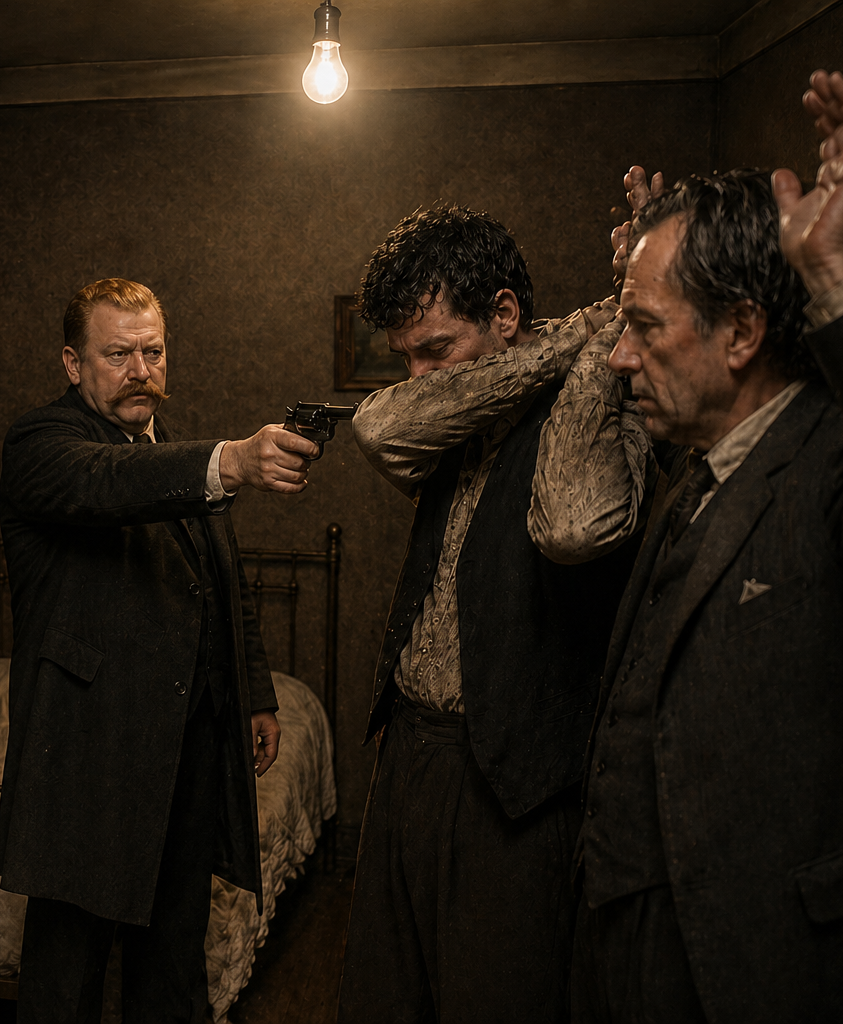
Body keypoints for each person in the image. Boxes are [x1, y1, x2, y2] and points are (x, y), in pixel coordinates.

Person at [571, 72, 843, 1023]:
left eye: (644, 327)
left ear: (742, 330)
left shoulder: (835, 465)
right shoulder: (697, 456)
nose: (620, 355)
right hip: (634, 945)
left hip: (758, 965)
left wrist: (834, 274)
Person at [338, 207, 644, 1023]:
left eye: (435, 350)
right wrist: (579, 328)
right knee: (382, 999)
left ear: (504, 313)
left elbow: (571, 525)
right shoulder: (446, 413)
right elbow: (377, 425)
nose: (418, 376)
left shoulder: (601, 393)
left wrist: (607, 330)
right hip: (411, 754)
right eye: (405, 357)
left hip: (517, 778)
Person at [0, 278, 315, 1024]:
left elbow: (225, 583)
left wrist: (255, 693)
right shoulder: (42, 441)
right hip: (90, 754)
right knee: (66, 977)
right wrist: (231, 461)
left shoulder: (170, 448)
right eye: (118, 355)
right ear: (73, 364)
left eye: (154, 352)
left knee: (173, 962)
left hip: (185, 745)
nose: (141, 371)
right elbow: (107, 482)